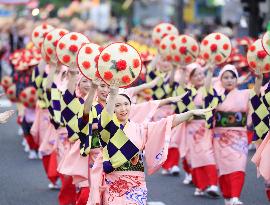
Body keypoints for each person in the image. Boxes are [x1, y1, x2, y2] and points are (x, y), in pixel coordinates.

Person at [87, 80, 213, 205]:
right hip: (114, 181)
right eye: (117, 105)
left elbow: (166, 123)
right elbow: (105, 120)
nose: (123, 108)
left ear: (131, 106)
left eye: (126, 104)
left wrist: (189, 113)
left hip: (137, 182)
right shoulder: (108, 128)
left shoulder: (140, 128)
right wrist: (113, 95)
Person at [204, 64, 263, 205]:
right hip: (221, 138)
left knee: (239, 166)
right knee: (223, 168)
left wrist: (259, 77)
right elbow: (206, 90)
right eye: (226, 77)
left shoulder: (244, 94)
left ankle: (235, 196)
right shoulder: (216, 97)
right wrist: (210, 71)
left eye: (232, 77)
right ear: (221, 80)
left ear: (236, 80)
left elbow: (256, 93)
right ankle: (228, 197)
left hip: (239, 137)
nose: (229, 80)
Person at [171, 63, 219, 197]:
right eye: (195, 75)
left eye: (200, 74)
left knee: (208, 155)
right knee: (194, 156)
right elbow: (179, 90)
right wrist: (181, 70)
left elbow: (208, 87)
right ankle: (201, 186)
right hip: (191, 126)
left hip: (205, 126)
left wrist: (209, 71)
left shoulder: (207, 90)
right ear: (190, 78)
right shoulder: (188, 92)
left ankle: (213, 185)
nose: (199, 77)